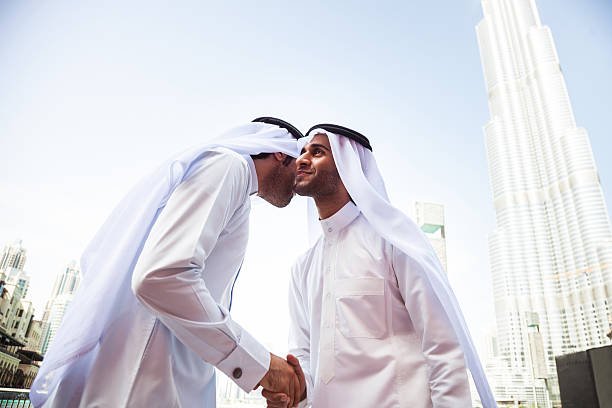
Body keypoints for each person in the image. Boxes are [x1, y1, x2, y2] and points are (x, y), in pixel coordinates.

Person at [31, 117, 306, 408]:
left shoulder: (234, 184)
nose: (300, 177)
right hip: (142, 386)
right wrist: (262, 365)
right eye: (299, 160)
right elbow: (161, 276)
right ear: (279, 152)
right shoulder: (230, 166)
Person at [263, 124, 496, 407]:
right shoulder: (302, 268)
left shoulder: (394, 243)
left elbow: (443, 350)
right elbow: (303, 355)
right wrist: (293, 393)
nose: (301, 159)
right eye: (301, 152)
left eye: (317, 152)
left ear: (349, 166)